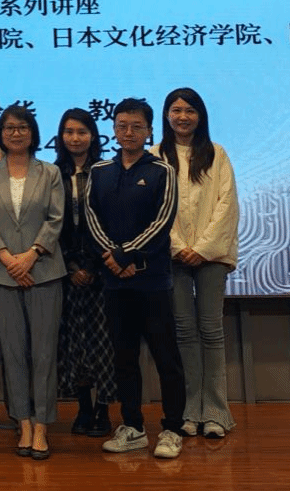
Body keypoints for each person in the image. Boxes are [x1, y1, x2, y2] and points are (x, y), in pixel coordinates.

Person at [84, 97, 185, 460]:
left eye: (137, 126)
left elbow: (162, 222)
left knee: (166, 358)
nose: (129, 132)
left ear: (149, 131)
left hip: (152, 281)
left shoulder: (162, 171)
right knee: (123, 358)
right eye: (122, 126)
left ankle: (172, 429)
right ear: (113, 129)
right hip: (115, 283)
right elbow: (91, 218)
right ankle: (133, 427)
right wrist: (113, 258)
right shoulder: (99, 171)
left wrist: (125, 255)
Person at [0, 104, 65, 459]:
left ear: (33, 132)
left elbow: (56, 218)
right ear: (1, 133)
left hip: (44, 271)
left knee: (44, 354)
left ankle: (42, 424)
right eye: (10, 127)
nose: (16, 133)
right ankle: (23, 422)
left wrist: (31, 254)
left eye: (22, 127)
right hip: (1, 274)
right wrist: (8, 259)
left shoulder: (50, 172)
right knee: (12, 353)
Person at [154, 87, 240, 440]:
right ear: (167, 115)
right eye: (176, 110)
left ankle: (217, 412)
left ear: (200, 116)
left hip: (211, 257)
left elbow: (227, 204)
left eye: (190, 110)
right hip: (171, 257)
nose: (183, 116)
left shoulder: (216, 154)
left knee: (211, 331)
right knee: (184, 333)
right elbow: (155, 208)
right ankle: (190, 410)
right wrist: (177, 246)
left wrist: (202, 249)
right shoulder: (156, 155)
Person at [54, 108, 116, 438]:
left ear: (93, 135)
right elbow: (50, 224)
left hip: (102, 270)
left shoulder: (107, 171)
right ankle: (83, 408)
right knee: (74, 342)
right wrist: (71, 267)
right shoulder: (53, 174)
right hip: (66, 270)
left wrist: (92, 265)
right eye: (69, 132)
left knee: (103, 342)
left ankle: (104, 409)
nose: (75, 138)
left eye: (81, 132)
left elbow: (112, 222)